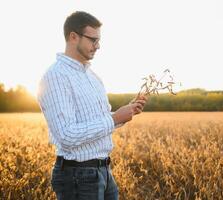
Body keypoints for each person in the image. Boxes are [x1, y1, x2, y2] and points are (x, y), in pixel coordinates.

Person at [37, 11, 147, 200]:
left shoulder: (92, 76)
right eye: (93, 40)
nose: (98, 46)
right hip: (77, 176)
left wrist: (126, 112)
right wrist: (114, 118)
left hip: (103, 171)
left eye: (99, 41)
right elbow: (66, 135)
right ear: (73, 37)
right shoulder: (56, 76)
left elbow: (101, 121)